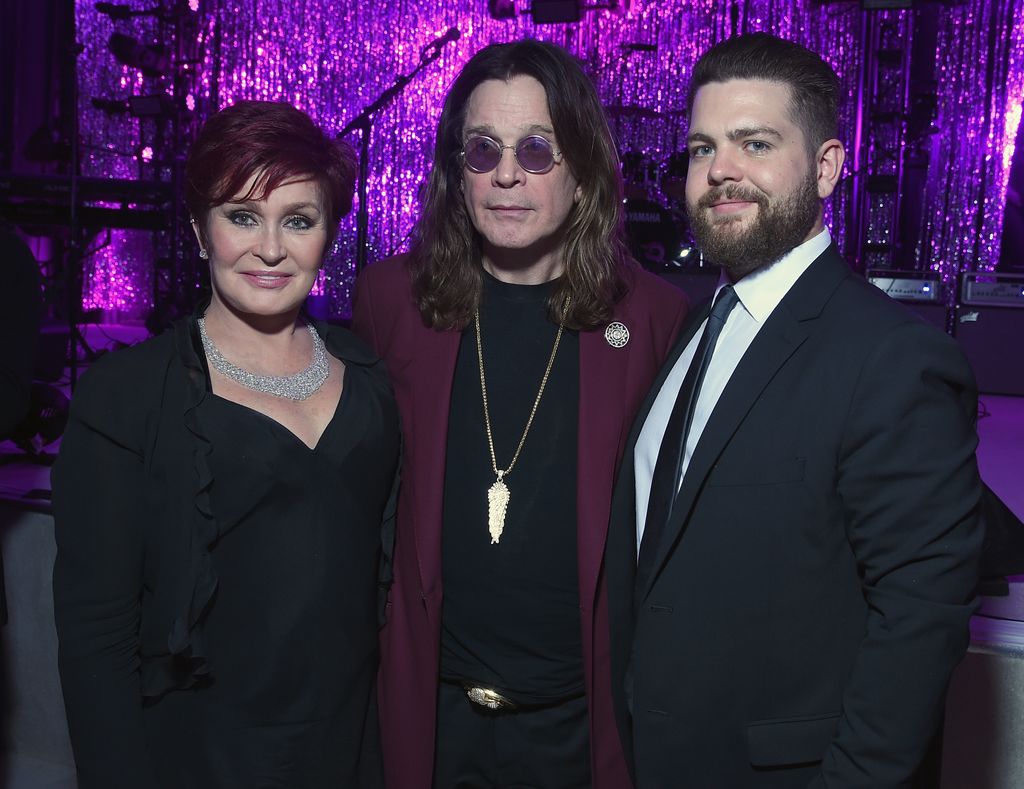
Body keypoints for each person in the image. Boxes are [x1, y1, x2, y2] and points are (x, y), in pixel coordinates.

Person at [606, 32, 983, 788]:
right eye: (702, 147)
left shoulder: (888, 358)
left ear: (826, 166)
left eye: (755, 143)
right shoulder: (693, 327)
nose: (721, 171)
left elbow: (918, 622)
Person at [352, 39, 688, 789]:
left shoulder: (657, 320)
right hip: (431, 718)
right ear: (456, 170)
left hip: (580, 724)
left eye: (538, 150)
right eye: (483, 150)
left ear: (582, 171)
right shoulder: (388, 303)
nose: (508, 173)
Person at [52, 100, 399, 789]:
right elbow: (97, 642)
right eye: (242, 215)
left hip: (349, 748)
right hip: (198, 757)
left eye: (298, 220)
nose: (270, 248)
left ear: (328, 235)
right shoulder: (128, 396)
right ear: (200, 229)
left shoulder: (370, 379)